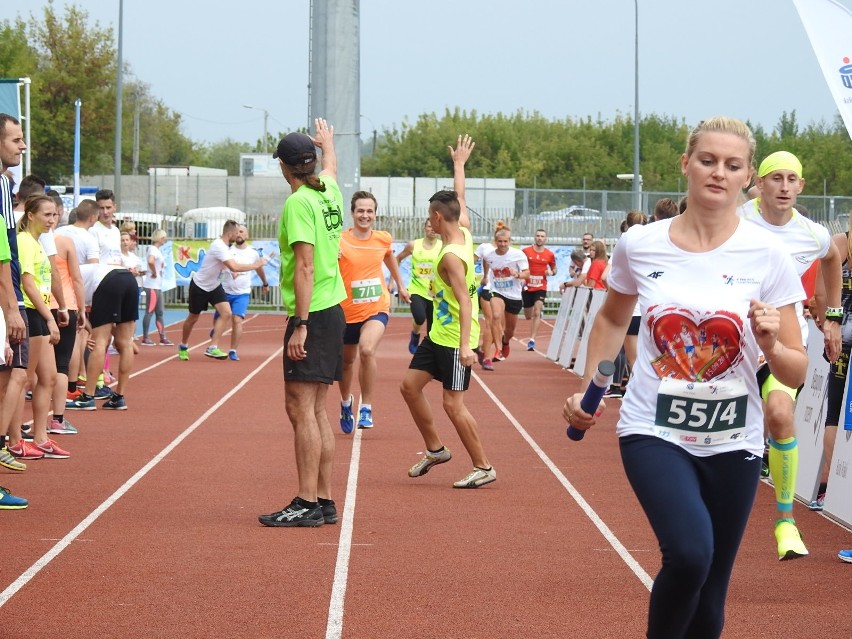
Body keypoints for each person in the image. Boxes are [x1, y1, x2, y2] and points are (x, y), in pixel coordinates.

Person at [563, 117, 807, 638]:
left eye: (732, 165)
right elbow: (611, 317)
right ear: (686, 165)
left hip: (734, 435)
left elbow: (796, 368)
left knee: (713, 586)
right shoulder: (640, 245)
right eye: (708, 160)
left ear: (747, 179)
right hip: (654, 430)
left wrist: (770, 345)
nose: (719, 172)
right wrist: (590, 384)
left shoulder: (770, 256)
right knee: (691, 554)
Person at [739, 150, 842, 559]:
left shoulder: (811, 233)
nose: (784, 187)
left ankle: (786, 521)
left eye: (791, 179)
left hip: (785, 338)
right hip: (732, 341)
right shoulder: (736, 220)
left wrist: (831, 316)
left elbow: (833, 257)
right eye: (775, 178)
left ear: (801, 185)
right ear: (759, 184)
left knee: (781, 414)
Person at [258, 119, 346, 528]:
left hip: (314, 312)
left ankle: (307, 501)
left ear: (284, 166)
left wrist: (301, 324)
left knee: (300, 409)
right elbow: (331, 169)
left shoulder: (298, 203)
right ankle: (324, 499)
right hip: (334, 309)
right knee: (317, 410)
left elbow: (305, 267)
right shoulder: (327, 189)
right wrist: (329, 146)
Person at [400, 134, 496, 489]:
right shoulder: (465, 232)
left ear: (438, 218)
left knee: (452, 405)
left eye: (431, 216)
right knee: (409, 388)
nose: (430, 221)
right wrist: (459, 165)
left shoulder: (452, 256)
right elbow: (462, 200)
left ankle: (483, 466)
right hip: (438, 334)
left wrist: (468, 346)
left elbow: (467, 300)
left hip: (457, 338)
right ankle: (436, 449)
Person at [337, 191, 409, 432]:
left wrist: (400, 284)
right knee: (347, 362)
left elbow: (389, 257)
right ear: (352, 213)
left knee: (367, 350)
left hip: (376, 307)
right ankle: (346, 402)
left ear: (375, 215)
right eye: (360, 211)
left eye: (369, 211)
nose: (364, 215)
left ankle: (366, 406)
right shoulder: (340, 239)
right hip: (346, 311)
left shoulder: (383, 239)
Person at [7, 195, 69, 459]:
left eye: (54, 215)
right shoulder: (23, 241)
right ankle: (16, 440)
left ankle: (41, 437)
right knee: (23, 379)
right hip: (30, 314)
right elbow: (28, 284)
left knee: (49, 377)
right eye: (46, 215)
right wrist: (50, 317)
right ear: (30, 214)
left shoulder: (37, 242)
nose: (51, 220)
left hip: (41, 313)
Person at [176, 220, 266, 361]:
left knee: (226, 313)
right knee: (193, 318)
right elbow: (234, 266)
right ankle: (183, 345)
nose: (238, 236)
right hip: (200, 286)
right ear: (229, 233)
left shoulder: (226, 246)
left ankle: (213, 347)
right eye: (236, 233)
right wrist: (256, 265)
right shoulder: (219, 246)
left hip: (215, 286)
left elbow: (226, 267)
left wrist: (231, 272)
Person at [0, 115, 30, 502]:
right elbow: (2, 252)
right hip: (4, 293)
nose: (22, 146)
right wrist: (10, 305)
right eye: (16, 139)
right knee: (8, 378)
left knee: (9, 378)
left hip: (9, 289)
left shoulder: (6, 184)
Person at [813, 216, 852, 510]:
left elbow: (818, 297)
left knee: (834, 413)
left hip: (843, 338)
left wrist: (827, 326)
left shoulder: (839, 243)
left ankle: (833, 492)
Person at [66, 261, 140, 411]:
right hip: (129, 279)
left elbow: (76, 313)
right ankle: (119, 397)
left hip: (107, 281)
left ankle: (88, 397)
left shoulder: (64, 281)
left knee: (99, 341)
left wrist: (92, 333)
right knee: (125, 342)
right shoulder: (78, 270)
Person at [214, 223, 269, 360]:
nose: (239, 234)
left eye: (242, 231)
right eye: (237, 232)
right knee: (219, 320)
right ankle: (214, 342)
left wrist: (265, 283)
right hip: (225, 292)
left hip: (242, 293)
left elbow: (259, 268)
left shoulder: (253, 253)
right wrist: (231, 271)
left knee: (237, 320)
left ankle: (233, 350)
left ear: (247, 235)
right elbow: (222, 266)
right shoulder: (228, 250)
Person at [482, 225, 529, 361]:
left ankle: (505, 342)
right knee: (496, 316)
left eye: (505, 241)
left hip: (513, 295)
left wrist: (518, 274)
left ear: (510, 241)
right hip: (497, 291)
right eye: (500, 241)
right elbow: (485, 261)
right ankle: (498, 349)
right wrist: (485, 276)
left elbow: (527, 274)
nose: (502, 244)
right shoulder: (489, 255)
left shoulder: (518, 254)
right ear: (495, 241)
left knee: (510, 331)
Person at [395, 218, 441, 355]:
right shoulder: (413, 245)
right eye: (429, 226)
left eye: (434, 226)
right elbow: (397, 259)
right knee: (420, 317)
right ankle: (415, 334)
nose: (432, 229)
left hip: (435, 292)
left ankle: (429, 355)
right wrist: (398, 283)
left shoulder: (443, 246)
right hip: (417, 289)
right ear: (424, 228)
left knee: (432, 329)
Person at [522, 229, 557, 351]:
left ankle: (532, 340)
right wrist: (522, 277)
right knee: (527, 315)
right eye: (538, 236)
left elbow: (554, 269)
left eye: (542, 236)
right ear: (534, 237)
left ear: (545, 239)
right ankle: (534, 314)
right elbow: (519, 265)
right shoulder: (526, 251)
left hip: (541, 287)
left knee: (537, 311)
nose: (539, 238)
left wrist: (551, 272)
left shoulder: (549, 254)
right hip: (527, 286)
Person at [140, 229, 173, 346]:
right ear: (160, 238)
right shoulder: (153, 249)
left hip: (157, 286)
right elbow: (150, 261)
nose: (165, 239)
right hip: (151, 285)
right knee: (149, 311)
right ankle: (145, 337)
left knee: (159, 312)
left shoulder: (157, 250)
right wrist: (154, 272)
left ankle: (162, 337)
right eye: (164, 237)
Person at [90, 189, 122, 265]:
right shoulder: (93, 230)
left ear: (114, 207)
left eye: (108, 208)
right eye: (101, 208)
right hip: (102, 275)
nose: (105, 212)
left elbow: (117, 257)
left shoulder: (116, 231)